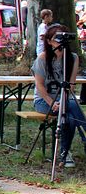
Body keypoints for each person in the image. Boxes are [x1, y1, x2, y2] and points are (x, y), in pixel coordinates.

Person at [32, 24, 84, 168]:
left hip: (65, 99)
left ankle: (64, 153)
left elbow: (71, 85)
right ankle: (71, 147)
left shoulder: (72, 58)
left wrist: (63, 100)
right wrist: (52, 102)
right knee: (72, 108)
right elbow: (40, 86)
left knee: (70, 118)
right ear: (49, 41)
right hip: (44, 101)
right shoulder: (42, 59)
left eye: (63, 37)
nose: (60, 41)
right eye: (56, 38)